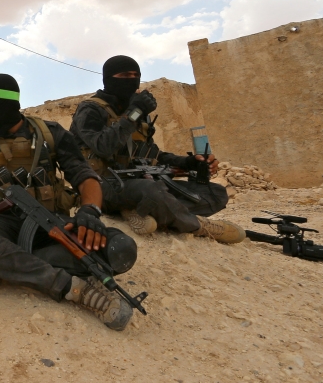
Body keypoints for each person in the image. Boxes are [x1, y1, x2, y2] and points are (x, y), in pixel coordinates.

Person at [0, 74, 139, 331]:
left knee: (120, 249)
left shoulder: (50, 133)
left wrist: (90, 212)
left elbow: (85, 177)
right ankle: (71, 288)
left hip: (51, 223)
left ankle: (0, 267)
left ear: (8, 103)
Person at [69, 55, 244, 243]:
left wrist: (189, 162)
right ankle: (198, 226)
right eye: (125, 75)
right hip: (99, 186)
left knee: (216, 193)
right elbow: (103, 146)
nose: (132, 80)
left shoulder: (138, 111)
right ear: (108, 79)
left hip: (138, 183)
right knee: (151, 190)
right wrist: (134, 113)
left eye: (136, 75)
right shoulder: (90, 109)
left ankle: (140, 212)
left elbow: (152, 154)